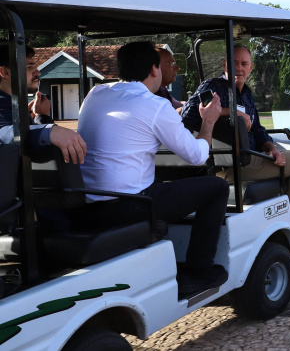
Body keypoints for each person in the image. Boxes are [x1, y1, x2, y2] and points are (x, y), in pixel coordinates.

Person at [78, 41, 229, 298]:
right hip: (130, 205)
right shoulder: (156, 105)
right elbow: (196, 157)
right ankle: (198, 270)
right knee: (218, 187)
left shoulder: (96, 94)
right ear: (154, 70)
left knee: (155, 179)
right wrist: (209, 121)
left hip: (87, 202)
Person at [182, 45, 290, 235]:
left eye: (244, 64)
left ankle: (281, 214)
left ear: (250, 68)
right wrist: (233, 113)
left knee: (287, 154)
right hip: (233, 163)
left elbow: (258, 129)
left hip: (252, 156)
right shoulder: (213, 86)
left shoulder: (246, 93)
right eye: (234, 63)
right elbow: (189, 115)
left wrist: (271, 147)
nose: (239, 68)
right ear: (224, 65)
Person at [0, 44, 87, 163]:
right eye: (29, 66)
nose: (38, 72)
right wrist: (50, 131)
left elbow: (38, 151)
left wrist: (41, 117)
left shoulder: (13, 105)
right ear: (5, 72)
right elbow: (4, 133)